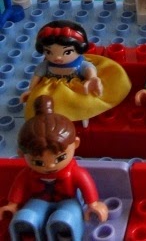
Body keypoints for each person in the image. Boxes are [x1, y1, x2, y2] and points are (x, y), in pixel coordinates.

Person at [0, 95, 108, 240]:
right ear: (21, 154)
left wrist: (92, 204)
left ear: (75, 144)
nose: (50, 166)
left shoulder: (74, 172)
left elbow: (85, 183)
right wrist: (13, 205)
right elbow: (19, 185)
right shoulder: (28, 174)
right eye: (39, 162)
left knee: (65, 218)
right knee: (27, 217)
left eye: (59, 158)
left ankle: (64, 234)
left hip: (68, 201)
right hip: (38, 200)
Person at [21, 19, 131, 123]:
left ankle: (83, 116)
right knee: (42, 105)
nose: (57, 57)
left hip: (76, 89)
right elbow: (37, 76)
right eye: (49, 52)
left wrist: (92, 78)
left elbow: (89, 68)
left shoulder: (79, 64)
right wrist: (31, 90)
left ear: (79, 49)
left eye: (67, 52)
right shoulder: (45, 66)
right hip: (52, 91)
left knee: (84, 102)